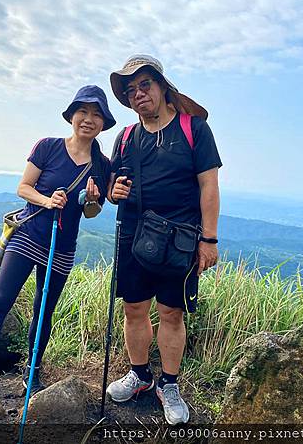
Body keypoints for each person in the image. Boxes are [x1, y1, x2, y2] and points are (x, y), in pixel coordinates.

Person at [0, 85, 115, 422]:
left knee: (43, 310)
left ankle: (32, 374)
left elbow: (92, 211)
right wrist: (47, 201)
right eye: (83, 111)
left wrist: (91, 200)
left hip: (61, 248)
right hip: (28, 236)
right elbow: (23, 187)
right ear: (72, 115)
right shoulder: (48, 147)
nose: (88, 119)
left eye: (96, 114)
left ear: (104, 123)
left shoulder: (101, 166)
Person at [106, 55, 222, 425]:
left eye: (144, 85)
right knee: (134, 308)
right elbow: (111, 187)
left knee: (172, 312)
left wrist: (210, 239)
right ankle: (140, 375)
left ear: (161, 87)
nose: (138, 94)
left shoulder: (194, 130)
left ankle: (168, 384)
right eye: (131, 90)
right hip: (133, 235)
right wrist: (114, 192)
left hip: (181, 240)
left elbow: (209, 186)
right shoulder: (125, 138)